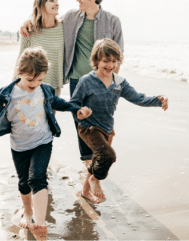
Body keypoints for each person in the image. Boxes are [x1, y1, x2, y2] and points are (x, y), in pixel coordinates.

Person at [0, 47, 92, 241]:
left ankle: (40, 224)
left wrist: (77, 110)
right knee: (24, 183)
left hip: (43, 142)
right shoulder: (5, 95)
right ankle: (27, 212)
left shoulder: (45, 90)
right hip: (20, 146)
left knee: (38, 178)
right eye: (30, 80)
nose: (35, 84)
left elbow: (59, 103)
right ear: (20, 72)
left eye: (40, 79)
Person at [21, 0, 124, 203]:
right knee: (83, 124)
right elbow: (46, 22)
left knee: (103, 126)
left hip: (102, 81)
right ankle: (90, 171)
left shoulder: (112, 21)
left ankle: (93, 173)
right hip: (78, 80)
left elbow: (120, 53)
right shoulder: (71, 18)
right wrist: (26, 23)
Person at [70, 38, 168, 201]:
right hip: (88, 127)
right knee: (108, 155)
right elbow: (73, 104)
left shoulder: (119, 82)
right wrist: (80, 114)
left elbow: (138, 98)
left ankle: (85, 192)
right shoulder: (86, 81)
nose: (110, 65)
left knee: (98, 159)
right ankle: (95, 180)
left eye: (114, 61)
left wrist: (158, 100)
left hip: (107, 129)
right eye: (106, 61)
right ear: (96, 61)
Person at [16, 0, 64, 97]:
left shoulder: (63, 28)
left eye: (57, 1)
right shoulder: (30, 29)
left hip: (53, 87)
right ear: (41, 5)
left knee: (50, 114)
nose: (56, 4)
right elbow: (21, 59)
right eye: (51, 1)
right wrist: (13, 86)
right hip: (31, 85)